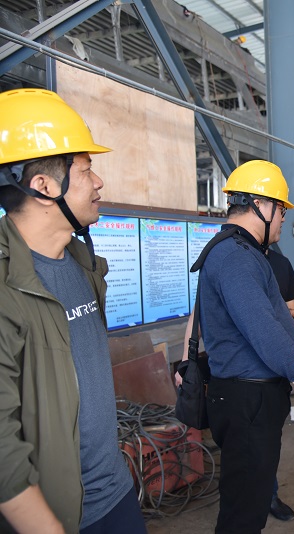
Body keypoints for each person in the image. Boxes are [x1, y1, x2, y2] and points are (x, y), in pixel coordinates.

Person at [0, 89, 146, 533]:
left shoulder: (83, 265)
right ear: (44, 187)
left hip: (116, 494)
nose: (98, 182)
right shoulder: (7, 288)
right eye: (84, 170)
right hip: (59, 516)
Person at [196, 159, 294, 533]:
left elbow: (257, 319)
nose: (283, 219)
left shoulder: (244, 253)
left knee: (252, 498)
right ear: (259, 204)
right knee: (244, 511)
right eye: (280, 209)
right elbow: (262, 332)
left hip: (253, 397)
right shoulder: (235, 256)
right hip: (246, 400)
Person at [175, 245, 294, 522]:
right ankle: (249, 502)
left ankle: (267, 495)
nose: (281, 224)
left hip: (272, 377)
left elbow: (288, 309)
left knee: (266, 446)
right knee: (242, 453)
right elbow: (198, 315)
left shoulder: (280, 264)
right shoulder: (231, 259)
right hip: (239, 381)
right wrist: (187, 362)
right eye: (279, 219)